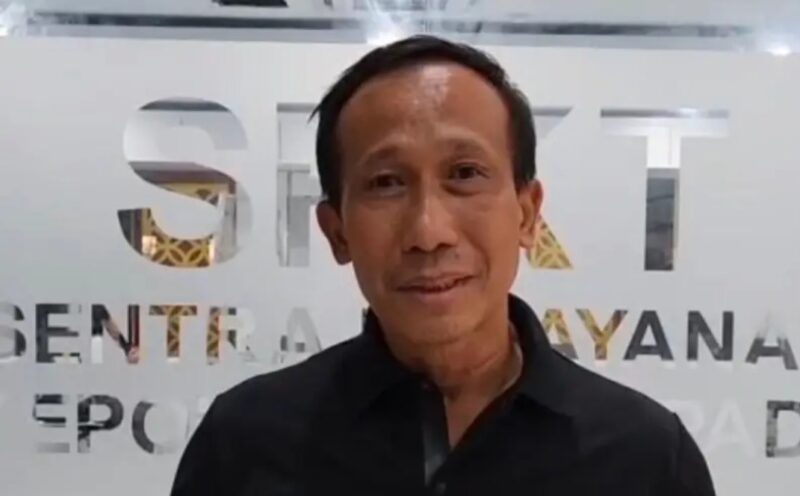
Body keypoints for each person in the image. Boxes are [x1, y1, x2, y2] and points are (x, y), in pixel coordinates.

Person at [171, 35, 715, 495]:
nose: (429, 232)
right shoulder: (243, 444)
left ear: (527, 214)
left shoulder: (645, 457)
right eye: (386, 183)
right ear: (337, 232)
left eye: (465, 173)